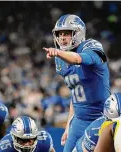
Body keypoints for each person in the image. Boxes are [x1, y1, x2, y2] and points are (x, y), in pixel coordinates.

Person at [43, 14, 110, 152]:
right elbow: (76, 92)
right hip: (79, 120)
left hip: (100, 118)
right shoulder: (60, 58)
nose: (62, 38)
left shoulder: (92, 46)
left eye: (67, 33)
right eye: (60, 34)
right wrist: (69, 125)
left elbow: (77, 59)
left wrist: (57, 52)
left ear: (78, 33)